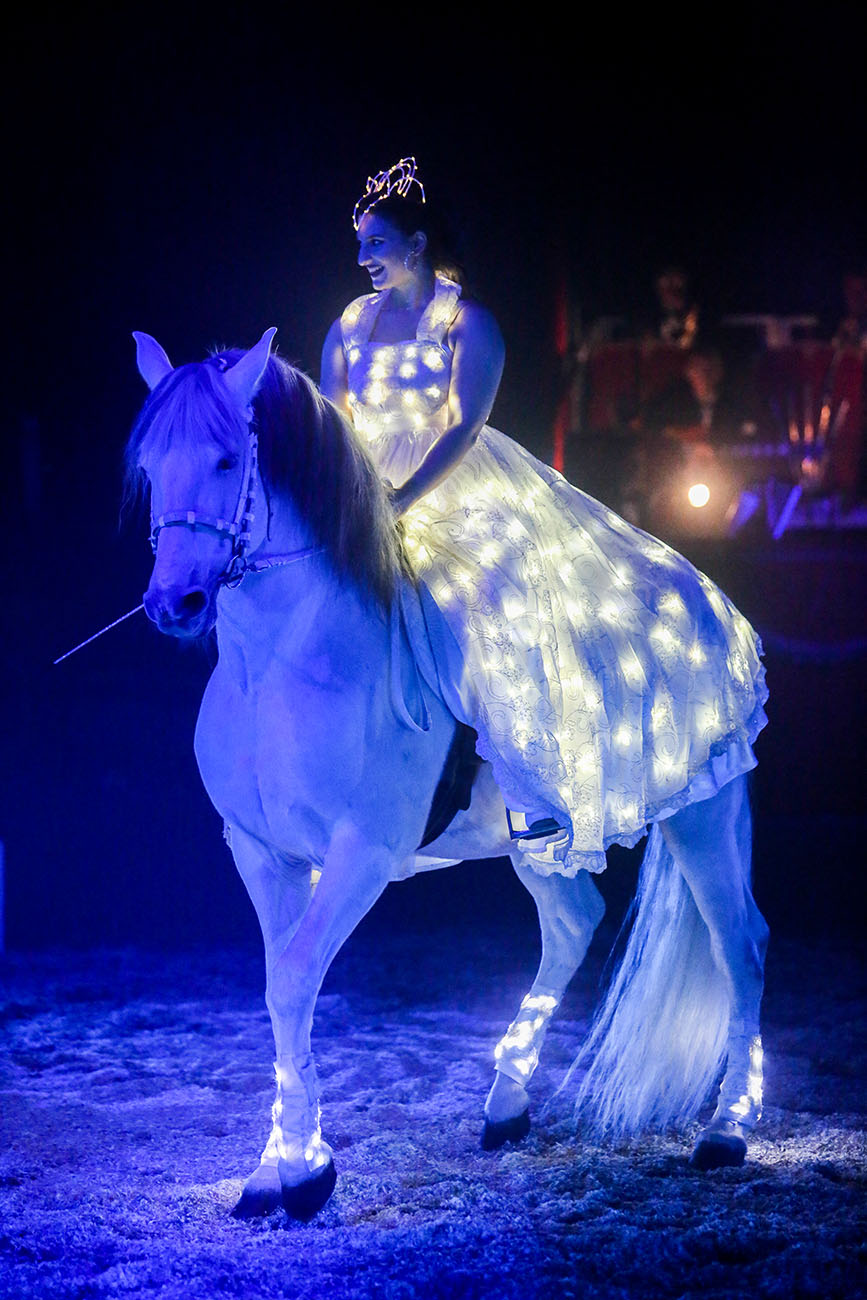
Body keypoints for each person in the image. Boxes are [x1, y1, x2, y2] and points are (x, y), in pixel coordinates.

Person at [320, 158, 768, 877]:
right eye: (360, 244)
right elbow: (333, 420)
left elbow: (463, 427)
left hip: (455, 495)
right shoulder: (348, 324)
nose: (362, 257)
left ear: (415, 245)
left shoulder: (467, 323)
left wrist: (401, 503)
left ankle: (529, 791)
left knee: (486, 613)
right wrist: (350, 499)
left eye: (375, 242)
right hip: (361, 492)